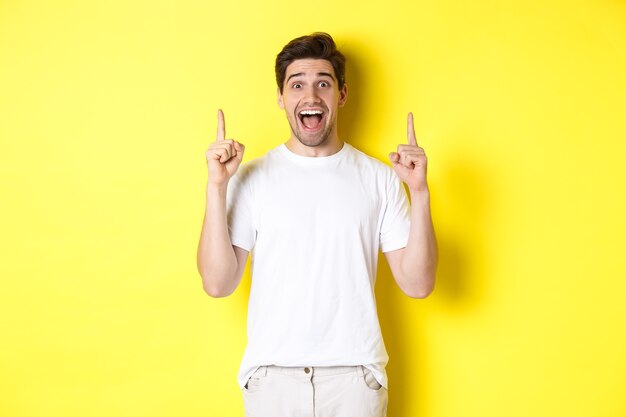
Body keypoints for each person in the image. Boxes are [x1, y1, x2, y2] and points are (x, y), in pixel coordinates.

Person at [196, 32, 437, 417]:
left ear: (341, 95)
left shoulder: (379, 178)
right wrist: (216, 186)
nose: (311, 96)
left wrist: (420, 192)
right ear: (281, 97)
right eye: (297, 85)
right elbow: (217, 283)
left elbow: (418, 284)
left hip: (354, 382)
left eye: (323, 83)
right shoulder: (250, 178)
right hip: (272, 381)